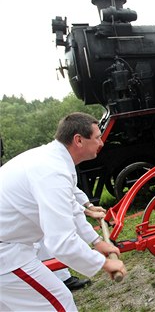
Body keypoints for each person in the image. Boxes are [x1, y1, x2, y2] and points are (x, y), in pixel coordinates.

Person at [0, 112, 127, 311]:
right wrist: (103, 264)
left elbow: (71, 209)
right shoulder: (52, 170)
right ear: (78, 140)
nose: (101, 143)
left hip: (9, 246)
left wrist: (96, 242)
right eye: (97, 137)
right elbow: (61, 241)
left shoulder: (54, 160)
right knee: (60, 303)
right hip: (6, 254)